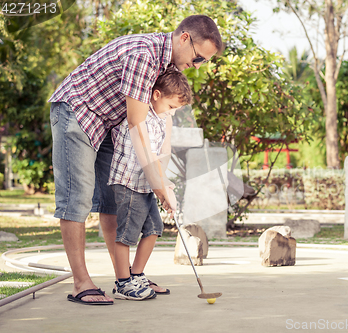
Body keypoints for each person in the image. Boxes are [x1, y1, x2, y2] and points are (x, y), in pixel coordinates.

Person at [49, 15, 223, 305]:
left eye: (203, 62)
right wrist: (158, 186)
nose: (196, 66)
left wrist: (163, 179)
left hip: (108, 123)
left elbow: (161, 125)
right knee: (76, 198)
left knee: (111, 201)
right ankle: (81, 283)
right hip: (77, 112)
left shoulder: (166, 65)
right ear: (184, 39)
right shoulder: (144, 54)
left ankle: (124, 279)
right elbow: (138, 126)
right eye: (198, 58)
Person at [110, 69, 192, 300]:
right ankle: (122, 282)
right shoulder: (141, 115)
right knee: (126, 234)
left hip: (146, 184)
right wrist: (162, 187)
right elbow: (146, 155)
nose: (172, 113)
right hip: (129, 182)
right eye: (170, 106)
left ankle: (136, 275)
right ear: (156, 95)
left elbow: (160, 155)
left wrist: (164, 185)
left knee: (155, 228)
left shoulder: (161, 119)